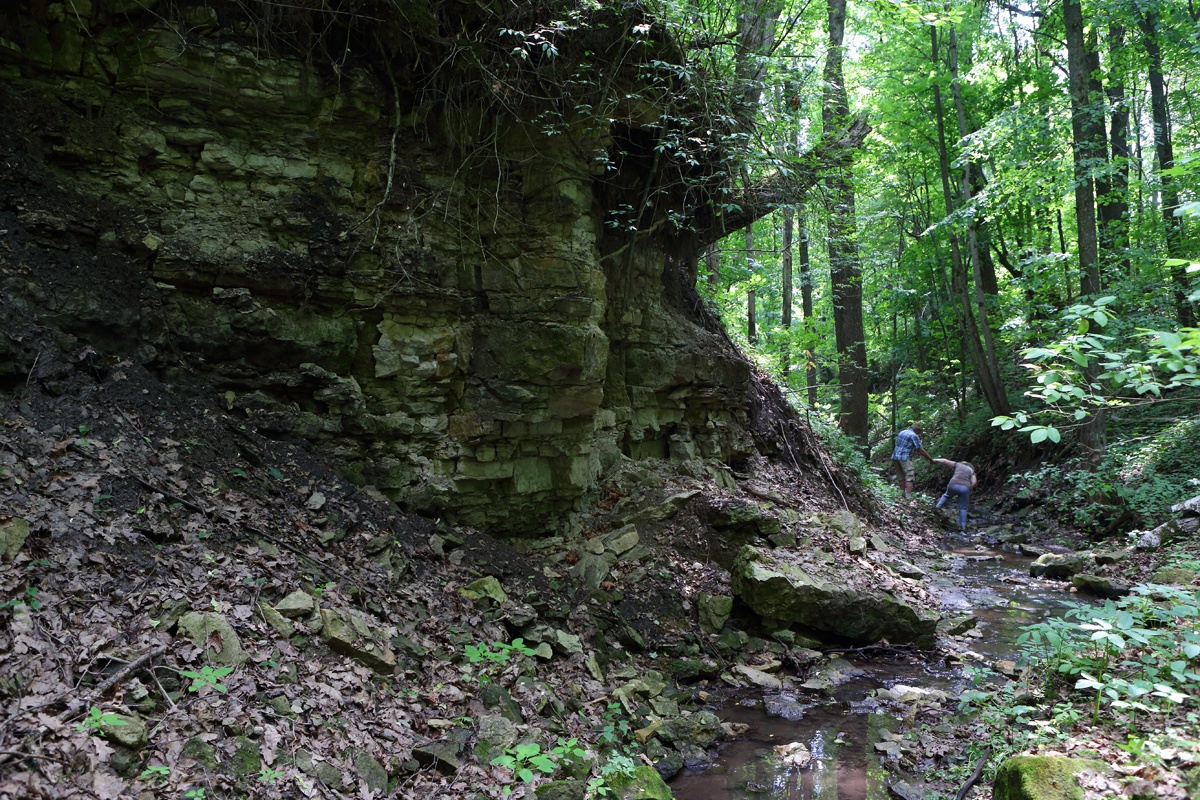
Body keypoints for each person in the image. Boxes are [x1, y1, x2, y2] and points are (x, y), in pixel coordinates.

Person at [932, 457, 977, 531]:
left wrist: (934, 460)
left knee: (946, 495)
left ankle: (937, 508)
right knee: (963, 508)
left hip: (953, 484)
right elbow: (974, 482)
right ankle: (962, 526)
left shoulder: (958, 465)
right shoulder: (972, 471)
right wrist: (969, 488)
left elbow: (945, 461)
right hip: (965, 487)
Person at [891, 423, 933, 498]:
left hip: (895, 456)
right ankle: (908, 497)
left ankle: (901, 495)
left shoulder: (902, 432)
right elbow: (921, 450)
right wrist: (930, 459)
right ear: (917, 429)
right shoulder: (914, 435)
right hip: (904, 457)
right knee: (909, 476)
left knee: (901, 476)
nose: (919, 433)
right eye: (919, 431)